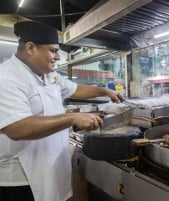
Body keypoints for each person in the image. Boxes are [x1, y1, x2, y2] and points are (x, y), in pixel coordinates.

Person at [0, 21, 124, 201]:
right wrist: (72, 118)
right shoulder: (7, 78)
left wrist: (105, 91)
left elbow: (76, 89)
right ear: (30, 47)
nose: (58, 57)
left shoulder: (48, 74)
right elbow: (17, 128)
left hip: (50, 166)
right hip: (21, 180)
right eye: (53, 50)